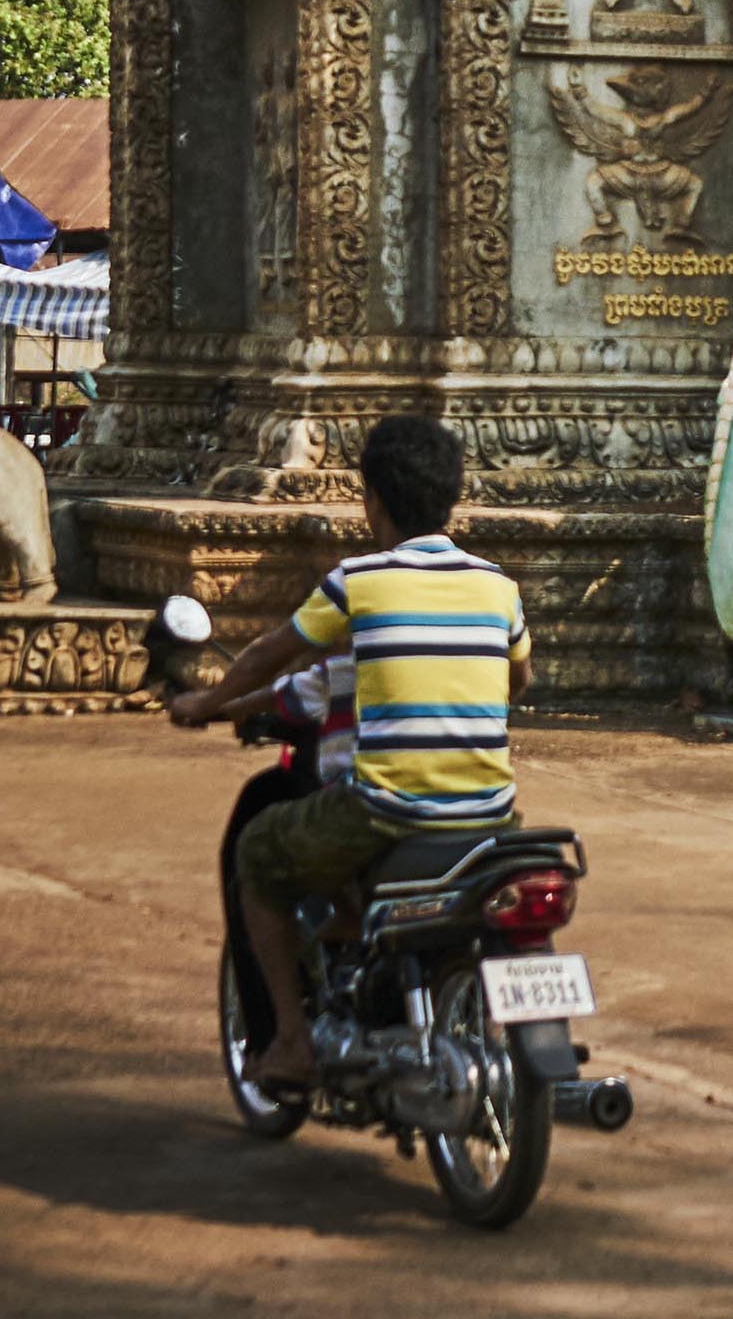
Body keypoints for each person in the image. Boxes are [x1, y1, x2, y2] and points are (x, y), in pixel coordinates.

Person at [167, 414, 530, 1088]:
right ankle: (346, 936)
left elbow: (266, 658)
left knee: (260, 852)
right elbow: (519, 678)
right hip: (493, 817)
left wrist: (202, 705)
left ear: (374, 502)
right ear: (449, 498)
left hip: (387, 811)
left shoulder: (358, 583)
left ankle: (293, 1042)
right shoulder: (499, 589)